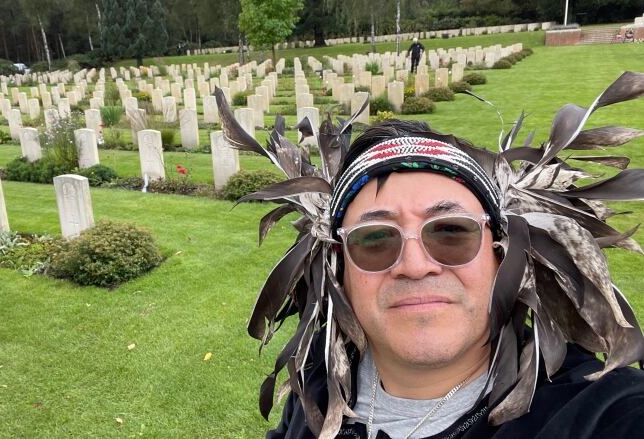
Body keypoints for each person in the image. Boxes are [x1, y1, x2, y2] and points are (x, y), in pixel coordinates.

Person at [213, 71, 644, 439]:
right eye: (375, 238)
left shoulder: (594, 411)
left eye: (451, 231)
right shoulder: (315, 394)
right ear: (336, 268)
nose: (416, 266)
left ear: (504, 254)